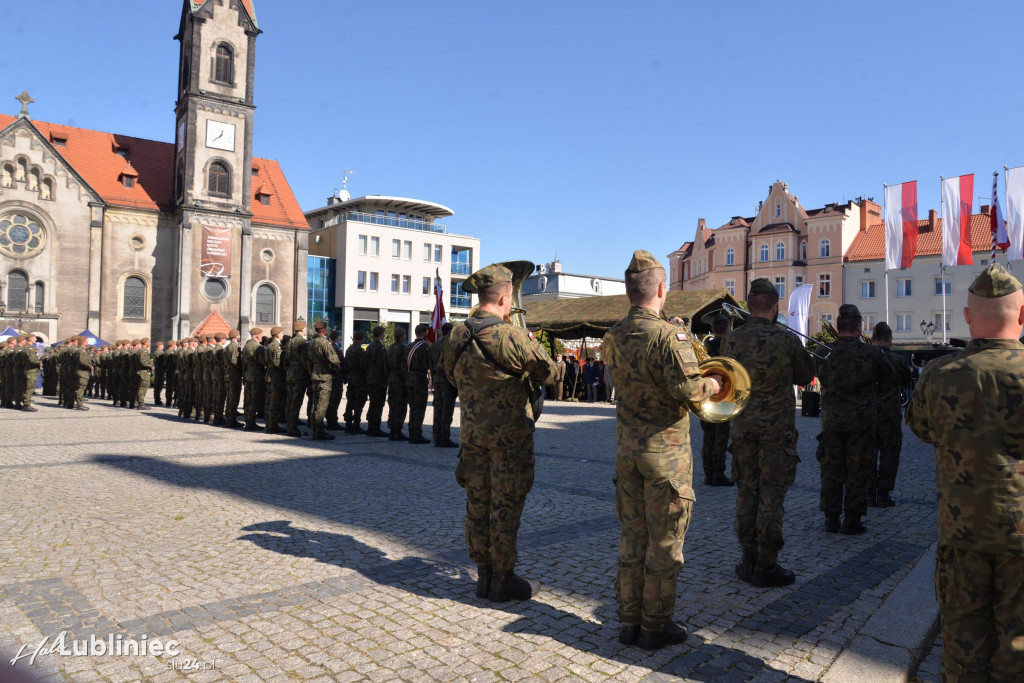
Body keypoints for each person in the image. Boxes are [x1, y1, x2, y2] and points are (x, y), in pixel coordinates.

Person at [906, 263, 1024, 682]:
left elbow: (921, 429)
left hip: (962, 534)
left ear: (968, 316)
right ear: (1023, 314)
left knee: (962, 644)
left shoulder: (939, 374)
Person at [602, 250, 721, 649]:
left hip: (627, 452)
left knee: (632, 539)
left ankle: (628, 621)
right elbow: (690, 392)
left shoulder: (613, 335)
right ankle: (654, 626)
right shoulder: (670, 336)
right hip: (665, 457)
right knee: (665, 543)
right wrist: (714, 386)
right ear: (661, 289)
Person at [443, 263, 557, 603]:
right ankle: (502, 580)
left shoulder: (456, 335)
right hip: (510, 442)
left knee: (477, 505)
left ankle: (483, 575)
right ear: (506, 297)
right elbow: (549, 374)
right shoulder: (513, 336)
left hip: (473, 439)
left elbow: (451, 377)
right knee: (505, 509)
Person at [721, 280, 813, 587]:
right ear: (775, 308)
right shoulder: (786, 338)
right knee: (771, 496)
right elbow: (805, 375)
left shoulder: (731, 340)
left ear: (748, 306)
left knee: (747, 494)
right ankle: (766, 564)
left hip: (743, 429)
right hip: (776, 433)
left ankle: (747, 559)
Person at [816, 304, 892, 535]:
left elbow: (818, 374)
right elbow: (888, 377)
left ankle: (831, 518)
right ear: (859, 328)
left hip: (832, 422)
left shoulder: (824, 351)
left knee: (831, 471)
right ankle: (852, 520)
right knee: (858, 471)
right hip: (861, 423)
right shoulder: (870, 353)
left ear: (838, 327)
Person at [869, 322, 912, 507]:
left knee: (869, 453)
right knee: (890, 453)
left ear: (872, 339)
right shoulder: (898, 360)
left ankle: (869, 493)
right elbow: (906, 382)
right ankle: (883, 494)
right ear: (891, 340)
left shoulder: (865, 357)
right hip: (890, 412)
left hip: (868, 411)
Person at [700, 314, 735, 488]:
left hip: (707, 395)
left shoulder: (704, 345)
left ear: (713, 329)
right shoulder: (730, 345)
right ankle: (718, 474)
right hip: (724, 393)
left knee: (708, 437)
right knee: (720, 438)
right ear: (727, 328)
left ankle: (708, 474)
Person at [307, 320, 340, 441]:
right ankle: (319, 430)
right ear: (324, 330)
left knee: (315, 403)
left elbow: (308, 361)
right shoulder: (325, 343)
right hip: (325, 376)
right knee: (322, 404)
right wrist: (337, 368)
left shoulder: (312, 342)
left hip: (315, 374)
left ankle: (315, 428)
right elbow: (334, 360)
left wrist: (312, 372)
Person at [429, 322, 458, 447]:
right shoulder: (451, 345)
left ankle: (436, 435)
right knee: (446, 410)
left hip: (436, 378)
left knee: (438, 409)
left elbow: (430, 363)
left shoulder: (434, 345)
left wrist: (432, 378)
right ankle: (444, 438)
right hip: (447, 380)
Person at [405, 324, 432, 444]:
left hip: (409, 378)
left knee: (412, 407)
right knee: (419, 408)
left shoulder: (409, 346)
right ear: (424, 333)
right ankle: (417, 435)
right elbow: (426, 364)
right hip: (419, 379)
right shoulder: (424, 347)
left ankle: (412, 433)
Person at [285, 321, 310, 437]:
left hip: (290, 372)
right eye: (305, 328)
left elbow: (285, 359)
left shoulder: (290, 342)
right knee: (296, 401)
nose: (306, 330)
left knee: (290, 400)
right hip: (300, 374)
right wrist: (309, 372)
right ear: (301, 330)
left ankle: (290, 425)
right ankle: (293, 428)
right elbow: (305, 360)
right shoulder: (302, 342)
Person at [365, 325, 389, 437]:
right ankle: (375, 428)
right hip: (379, 379)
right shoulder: (380, 347)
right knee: (378, 404)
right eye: (383, 333)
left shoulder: (369, 346)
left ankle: (370, 427)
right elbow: (384, 364)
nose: (384, 335)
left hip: (370, 378)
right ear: (380, 334)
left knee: (372, 403)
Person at [385, 327, 409, 441]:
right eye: (404, 335)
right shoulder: (403, 348)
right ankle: (397, 430)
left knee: (392, 404)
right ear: (401, 337)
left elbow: (386, 365)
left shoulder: (389, 348)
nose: (404, 337)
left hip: (392, 377)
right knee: (400, 405)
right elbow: (405, 365)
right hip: (400, 378)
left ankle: (392, 430)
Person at [343, 330, 368, 434]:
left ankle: (348, 424)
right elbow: (364, 366)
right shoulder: (360, 351)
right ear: (362, 339)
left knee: (350, 401)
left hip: (351, 377)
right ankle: (356, 424)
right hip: (360, 378)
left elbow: (345, 364)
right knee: (359, 401)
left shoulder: (348, 349)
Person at [240, 328, 264, 431]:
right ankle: (251, 423)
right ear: (257, 336)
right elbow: (263, 361)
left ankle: (248, 420)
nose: (262, 337)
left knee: (248, 399)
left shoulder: (246, 346)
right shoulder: (257, 347)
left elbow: (243, 363)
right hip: (256, 375)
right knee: (255, 399)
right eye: (261, 335)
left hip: (248, 374)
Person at [264, 326, 286, 434]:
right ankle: (272, 425)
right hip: (276, 376)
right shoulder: (277, 346)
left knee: (269, 401)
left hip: (270, 374)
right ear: (277, 334)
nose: (282, 335)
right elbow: (278, 363)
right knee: (274, 402)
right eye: (281, 333)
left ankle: (270, 424)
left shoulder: (269, 345)